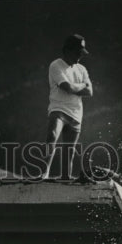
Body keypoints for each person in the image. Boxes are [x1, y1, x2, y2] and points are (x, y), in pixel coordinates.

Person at [43, 34, 93, 181]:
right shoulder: (56, 65)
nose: (80, 56)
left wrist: (79, 87)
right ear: (68, 50)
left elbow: (90, 92)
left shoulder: (82, 69)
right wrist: (83, 85)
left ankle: (65, 178)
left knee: (69, 151)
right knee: (51, 136)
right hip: (58, 110)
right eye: (78, 52)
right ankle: (44, 173)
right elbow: (67, 87)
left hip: (76, 113)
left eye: (81, 53)